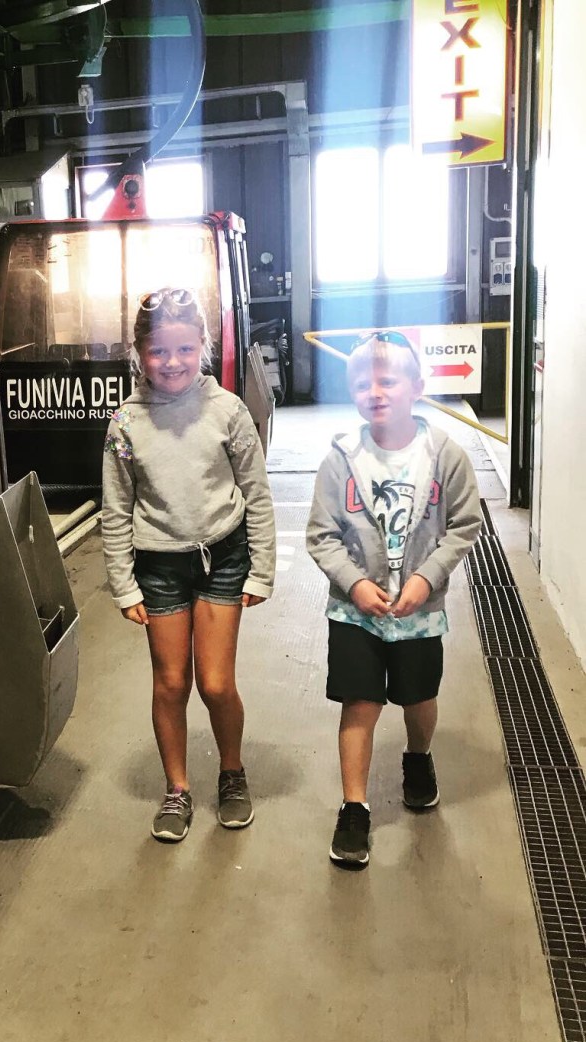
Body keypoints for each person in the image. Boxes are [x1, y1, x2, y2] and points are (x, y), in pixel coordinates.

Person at [102, 287, 276, 843]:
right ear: (139, 352)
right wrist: (124, 584)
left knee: (217, 684)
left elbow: (257, 494)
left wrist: (262, 568)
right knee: (172, 683)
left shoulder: (228, 411)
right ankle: (177, 788)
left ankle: (232, 772)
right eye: (158, 351)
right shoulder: (125, 424)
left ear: (202, 344)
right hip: (159, 569)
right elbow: (116, 508)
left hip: (222, 558)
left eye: (183, 349)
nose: (172, 362)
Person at [305, 330, 482, 868]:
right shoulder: (342, 459)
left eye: (388, 380)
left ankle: (417, 756)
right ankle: (354, 807)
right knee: (359, 702)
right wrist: (355, 583)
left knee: (417, 697)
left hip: (420, 614)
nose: (375, 391)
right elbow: (322, 534)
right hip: (354, 612)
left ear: (417, 387)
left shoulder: (445, 455)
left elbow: (464, 525)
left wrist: (427, 578)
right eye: (363, 383)